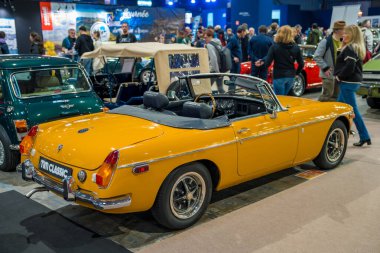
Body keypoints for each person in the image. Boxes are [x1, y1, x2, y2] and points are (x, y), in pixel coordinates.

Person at [334, 24, 371, 146]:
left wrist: (339, 76)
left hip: (347, 83)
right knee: (338, 109)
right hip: (351, 82)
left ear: (352, 35)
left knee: (352, 111)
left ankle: (364, 136)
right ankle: (339, 133)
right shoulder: (354, 48)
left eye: (346, 33)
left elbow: (350, 66)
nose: (343, 35)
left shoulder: (350, 48)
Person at [263, 25, 304, 95]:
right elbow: (301, 64)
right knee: (285, 97)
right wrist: (296, 73)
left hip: (279, 75)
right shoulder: (296, 47)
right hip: (291, 76)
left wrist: (263, 65)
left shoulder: (274, 47)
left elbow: (267, 63)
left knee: (279, 99)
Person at [314, 20, 346, 102]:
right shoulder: (325, 42)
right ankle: (319, 112)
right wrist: (325, 68)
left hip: (339, 75)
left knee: (336, 97)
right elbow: (317, 56)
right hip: (328, 75)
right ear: (337, 30)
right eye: (343, 29)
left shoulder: (343, 42)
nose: (345, 31)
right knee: (326, 97)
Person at [204, 29, 224, 93]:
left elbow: (213, 58)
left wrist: (217, 72)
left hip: (214, 70)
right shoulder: (218, 42)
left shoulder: (209, 45)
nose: (205, 39)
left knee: (206, 89)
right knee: (220, 88)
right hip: (221, 67)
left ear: (210, 36)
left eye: (206, 37)